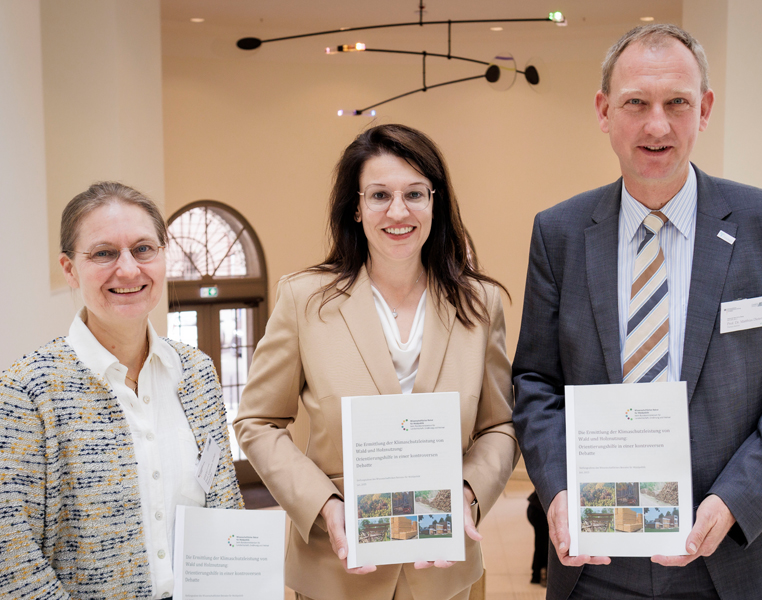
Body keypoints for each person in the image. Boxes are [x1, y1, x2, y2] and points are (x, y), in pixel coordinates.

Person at [512, 24, 762, 600]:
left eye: (677, 103)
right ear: (603, 110)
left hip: (728, 557)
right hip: (595, 565)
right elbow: (536, 382)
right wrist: (559, 490)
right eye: (635, 103)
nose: (657, 125)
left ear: (705, 109)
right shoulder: (559, 234)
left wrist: (732, 503)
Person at [234, 123, 518, 600]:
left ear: (436, 202)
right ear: (357, 208)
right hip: (337, 570)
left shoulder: (480, 304)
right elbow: (258, 422)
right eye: (380, 195)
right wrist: (324, 504)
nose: (398, 211)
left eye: (415, 194)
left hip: (443, 573)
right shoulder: (305, 300)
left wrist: (467, 495)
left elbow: (500, 426)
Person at [0, 182, 243, 599]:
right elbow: (12, 555)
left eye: (143, 249)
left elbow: (224, 506)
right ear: (69, 268)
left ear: (164, 256)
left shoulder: (196, 373)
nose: (128, 269)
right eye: (104, 253)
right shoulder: (26, 390)